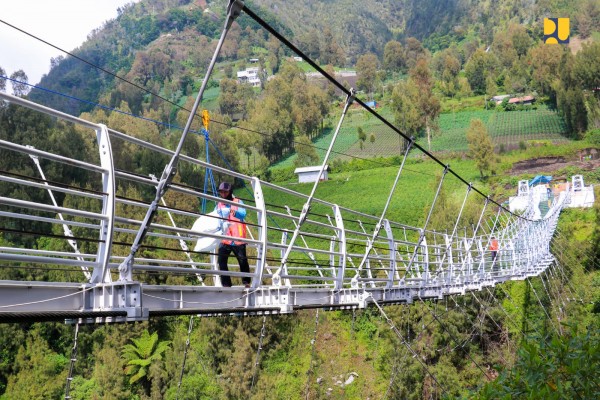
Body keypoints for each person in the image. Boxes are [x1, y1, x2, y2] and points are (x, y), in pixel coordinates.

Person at [215, 182, 251, 288]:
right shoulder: (219, 204)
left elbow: (243, 214)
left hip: (238, 237)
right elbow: (215, 216)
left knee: (242, 260)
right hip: (225, 238)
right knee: (221, 260)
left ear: (230, 191)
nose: (223, 194)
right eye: (221, 192)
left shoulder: (238, 202)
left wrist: (231, 211)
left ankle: (246, 282)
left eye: (225, 192)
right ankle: (226, 284)